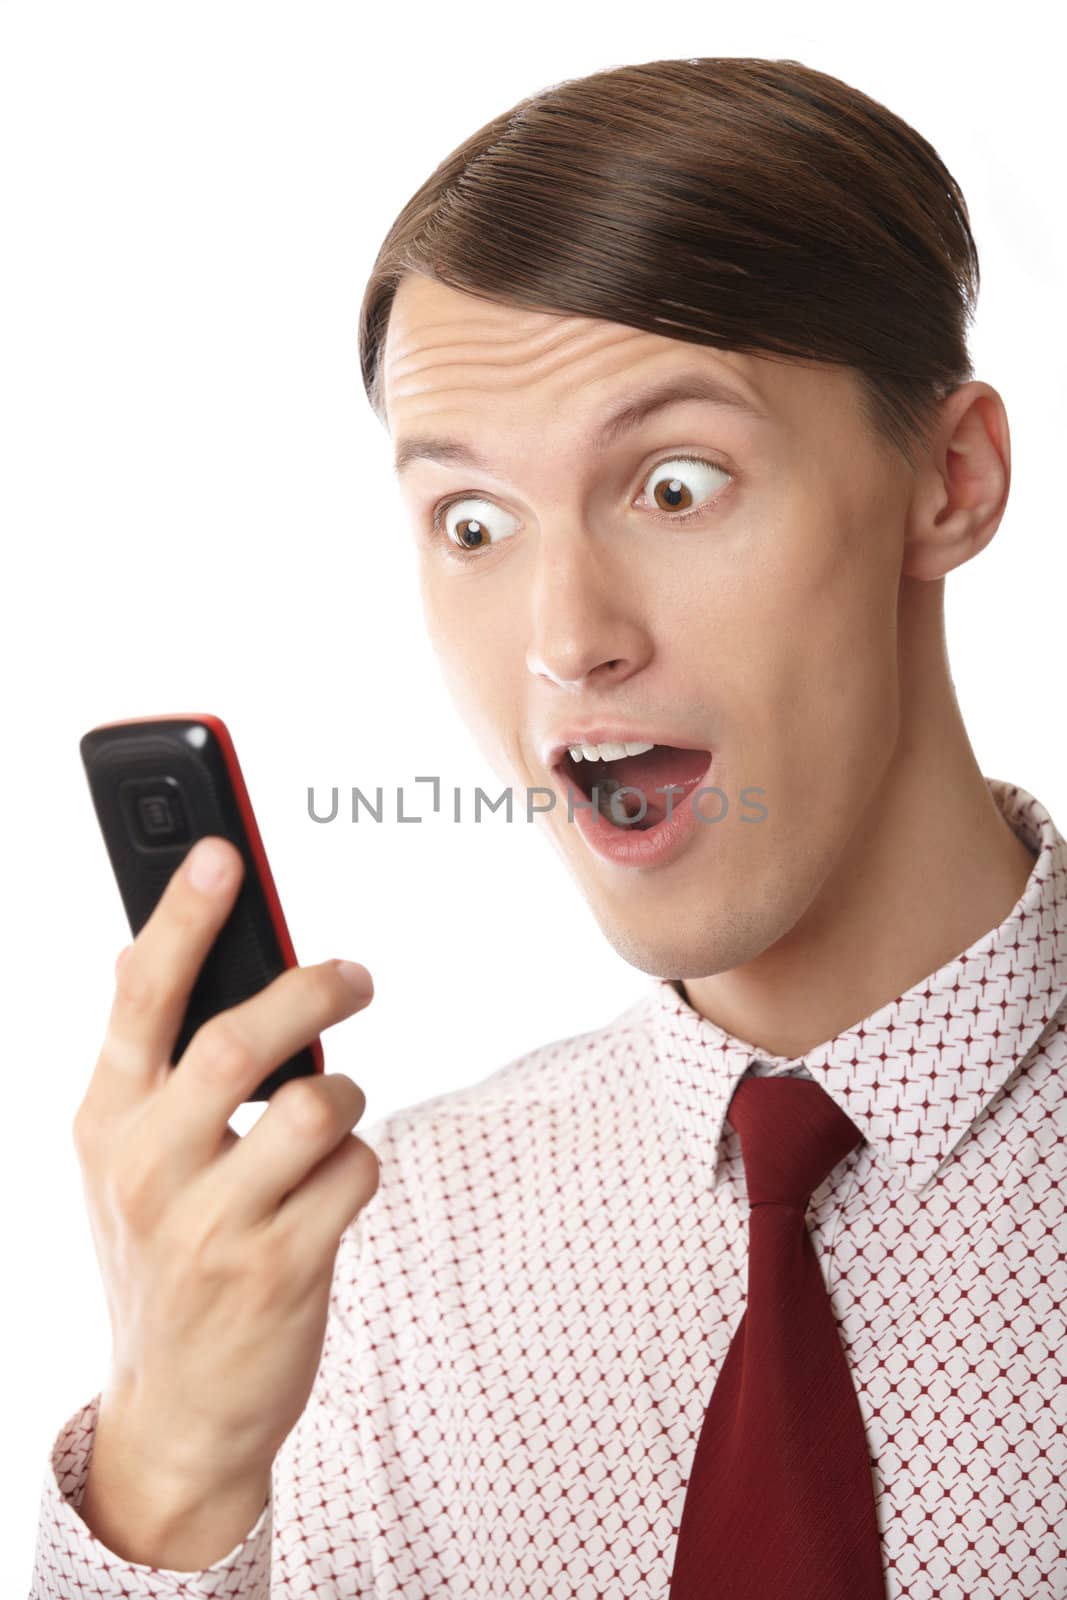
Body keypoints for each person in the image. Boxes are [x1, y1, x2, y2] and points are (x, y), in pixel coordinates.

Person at [30, 55, 1066, 1600]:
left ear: (952, 481)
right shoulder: (373, 1275)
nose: (564, 638)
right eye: (473, 526)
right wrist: (166, 1481)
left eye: (675, 484)